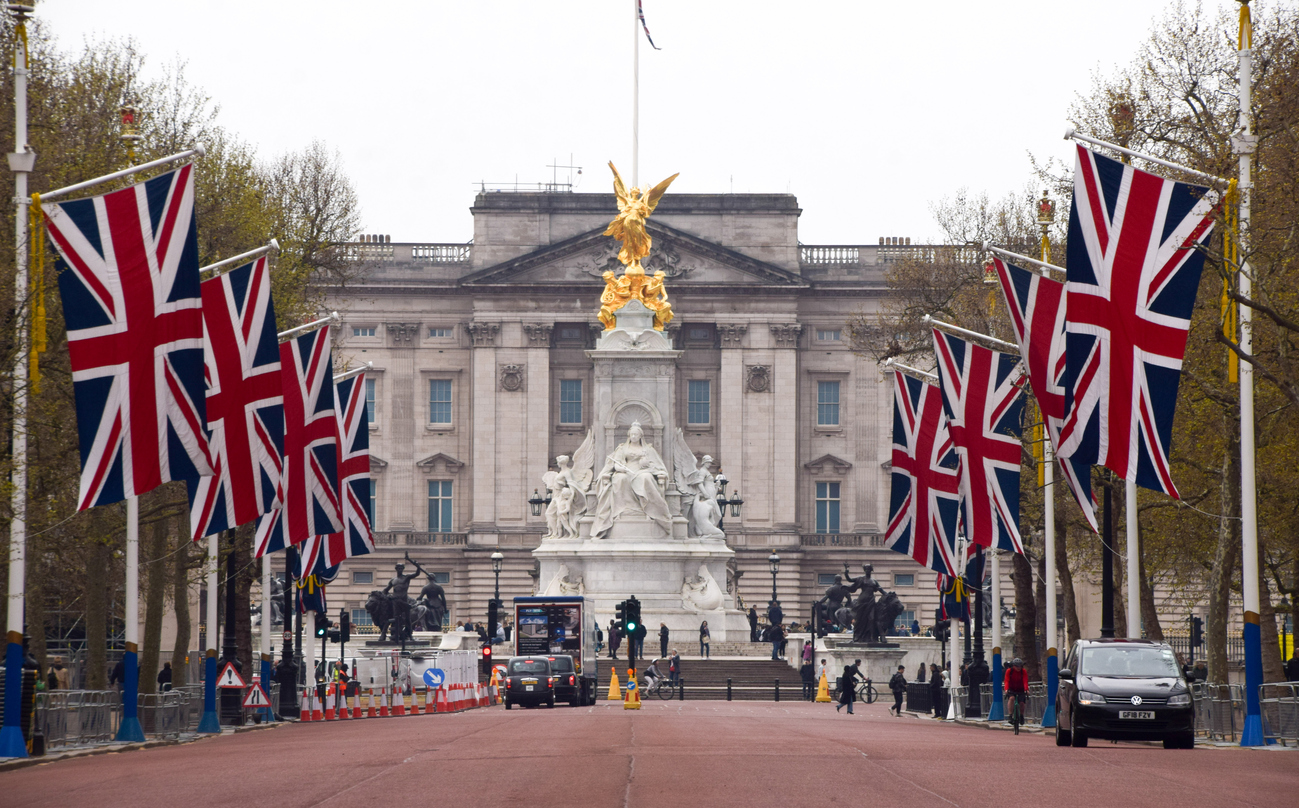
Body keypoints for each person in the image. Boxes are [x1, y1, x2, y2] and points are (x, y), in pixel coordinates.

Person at [1004, 657, 1029, 732]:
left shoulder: (1023, 671)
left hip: (1020, 689)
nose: (1018, 668)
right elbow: (1007, 680)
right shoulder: (1009, 671)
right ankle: (1010, 715)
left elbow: (1025, 680)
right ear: (1013, 666)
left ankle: (1021, 715)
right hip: (1011, 688)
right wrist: (1006, 689)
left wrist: (1026, 689)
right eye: (1017, 666)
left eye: (1020, 666)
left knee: (1021, 703)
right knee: (1011, 698)